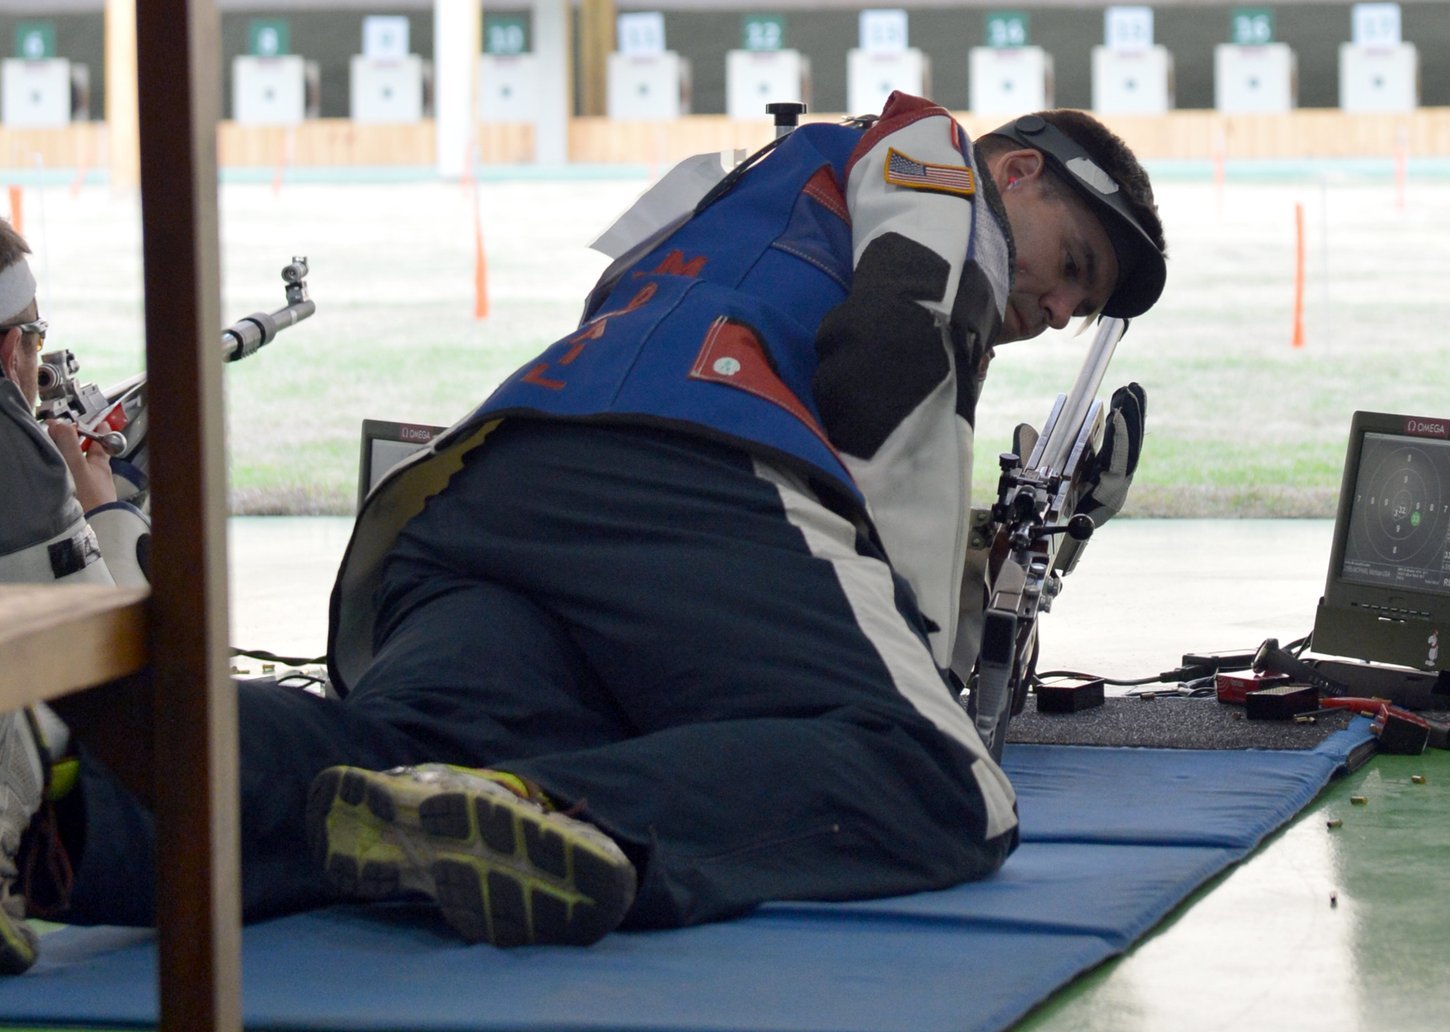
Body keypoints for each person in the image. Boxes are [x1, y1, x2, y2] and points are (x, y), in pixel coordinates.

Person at [3, 93, 1167, 968]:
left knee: (396, 757)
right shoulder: (935, 163)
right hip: (693, 467)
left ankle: (42, 794)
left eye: (1079, 306)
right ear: (1014, 170)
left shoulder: (760, 182)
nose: (1058, 307)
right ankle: (565, 808)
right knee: (941, 780)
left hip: (490, 490)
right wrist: (929, 655)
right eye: (1072, 264)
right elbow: (893, 359)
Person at [0, 221, 150, 972]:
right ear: (9, 350)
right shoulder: (15, 457)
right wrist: (108, 516)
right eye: (34, 337)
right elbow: (121, 680)